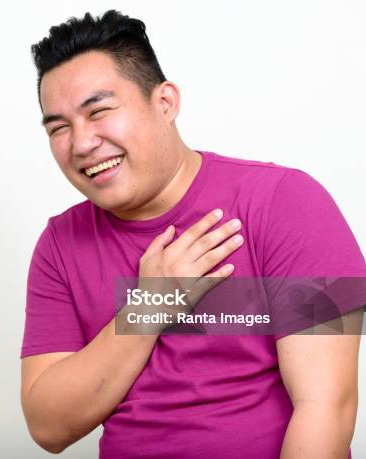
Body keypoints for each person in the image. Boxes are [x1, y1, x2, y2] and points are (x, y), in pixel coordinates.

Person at [19, 9, 365, 459]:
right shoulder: (59, 245)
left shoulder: (289, 202)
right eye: (59, 127)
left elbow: (327, 410)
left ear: (165, 103)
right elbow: (48, 426)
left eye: (98, 111)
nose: (81, 143)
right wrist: (149, 306)